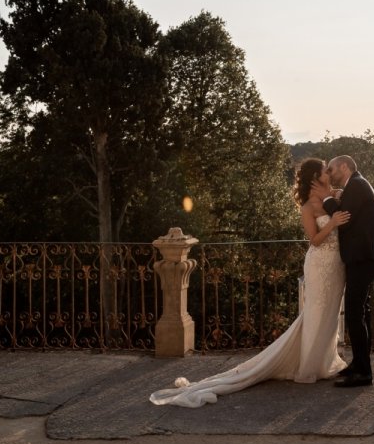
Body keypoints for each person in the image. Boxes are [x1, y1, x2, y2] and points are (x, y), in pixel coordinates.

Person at [149, 158, 350, 408]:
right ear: (314, 177)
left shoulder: (333, 197)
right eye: (325, 170)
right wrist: (332, 223)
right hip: (319, 264)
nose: (329, 173)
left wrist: (335, 198)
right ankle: (309, 367)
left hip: (336, 265)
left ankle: (324, 361)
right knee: (315, 313)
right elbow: (315, 241)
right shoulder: (308, 207)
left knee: (329, 314)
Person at [314, 155, 374, 388]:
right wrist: (334, 196)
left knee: (355, 313)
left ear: (344, 167)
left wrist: (325, 196)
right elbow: (344, 211)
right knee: (359, 313)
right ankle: (360, 364)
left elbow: (343, 219)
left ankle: (364, 372)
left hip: (364, 257)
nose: (330, 173)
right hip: (362, 257)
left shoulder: (357, 185)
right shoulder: (355, 185)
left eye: (332, 169)